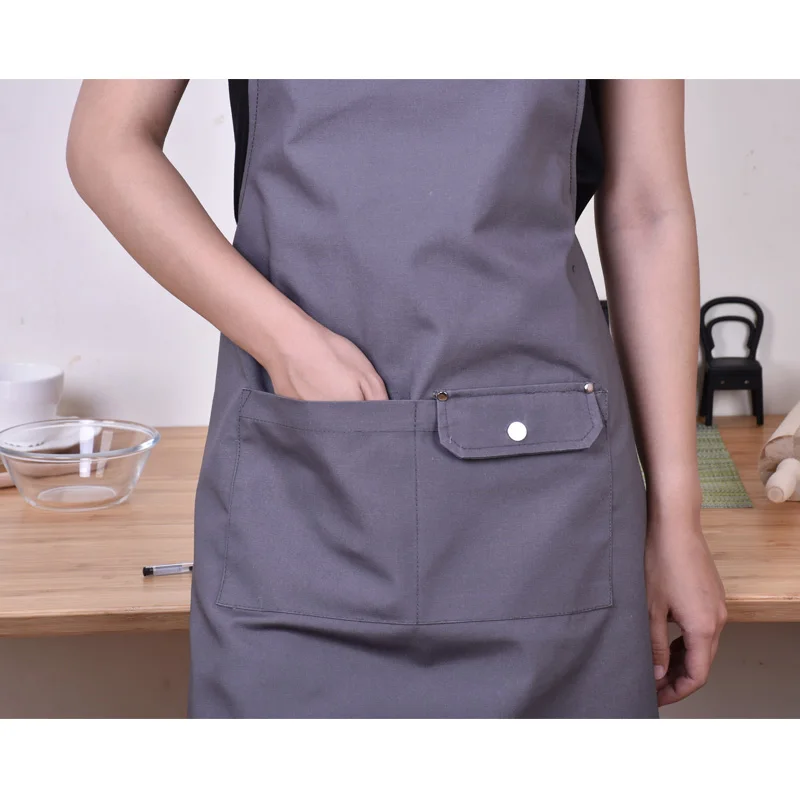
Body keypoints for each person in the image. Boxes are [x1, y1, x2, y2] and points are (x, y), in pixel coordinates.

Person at [67, 79, 727, 718]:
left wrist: (678, 517)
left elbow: (648, 208)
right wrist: (288, 345)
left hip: (547, 508)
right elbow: (106, 142)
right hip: (304, 492)